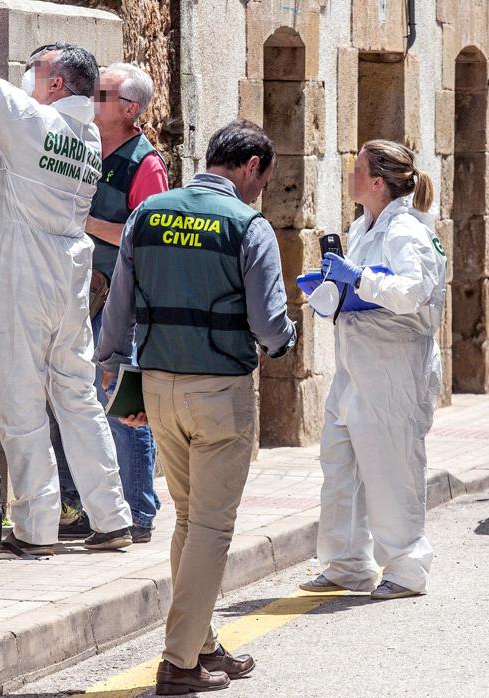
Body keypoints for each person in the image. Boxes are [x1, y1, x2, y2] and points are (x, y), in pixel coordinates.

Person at [0, 1, 133, 555]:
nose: (28, 82)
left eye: (35, 73)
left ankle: (36, 529)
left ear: (57, 81)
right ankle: (111, 517)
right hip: (70, 276)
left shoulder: (36, 125)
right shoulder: (86, 142)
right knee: (77, 398)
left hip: (28, 278)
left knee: (20, 401)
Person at [97, 118, 296, 694]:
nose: (260, 190)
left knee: (187, 520)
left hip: (157, 388)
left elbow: (119, 304)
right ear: (251, 166)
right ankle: (180, 662)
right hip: (219, 395)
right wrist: (285, 341)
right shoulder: (247, 225)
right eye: (263, 178)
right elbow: (267, 322)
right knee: (211, 527)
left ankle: (203, 642)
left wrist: (111, 366)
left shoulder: (148, 214)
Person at [299, 140, 447, 601]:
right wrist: (329, 291)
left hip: (392, 373)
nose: (350, 175)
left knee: (392, 470)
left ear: (378, 182)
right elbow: (361, 289)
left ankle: (406, 568)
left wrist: (358, 279)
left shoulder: (407, 232)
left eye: (357, 168)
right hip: (355, 370)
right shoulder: (363, 226)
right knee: (340, 467)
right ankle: (347, 563)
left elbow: (412, 293)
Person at [53, 62, 169, 544]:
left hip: (120, 303)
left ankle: (139, 511)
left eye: (102, 94)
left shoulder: (146, 164)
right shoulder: (84, 146)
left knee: (123, 402)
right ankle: (75, 504)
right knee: (69, 397)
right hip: (80, 294)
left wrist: (82, 222)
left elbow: (148, 235)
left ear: (130, 109)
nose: (92, 99)